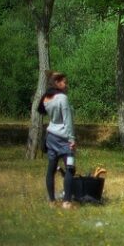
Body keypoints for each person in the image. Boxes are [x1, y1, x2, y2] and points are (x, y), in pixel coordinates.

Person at [38, 71, 76, 208]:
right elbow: (68, 120)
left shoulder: (46, 99)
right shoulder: (62, 98)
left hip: (51, 138)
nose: (67, 85)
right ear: (56, 83)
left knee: (51, 169)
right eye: (65, 82)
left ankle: (51, 201)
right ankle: (66, 202)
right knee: (71, 168)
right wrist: (72, 139)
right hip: (64, 138)